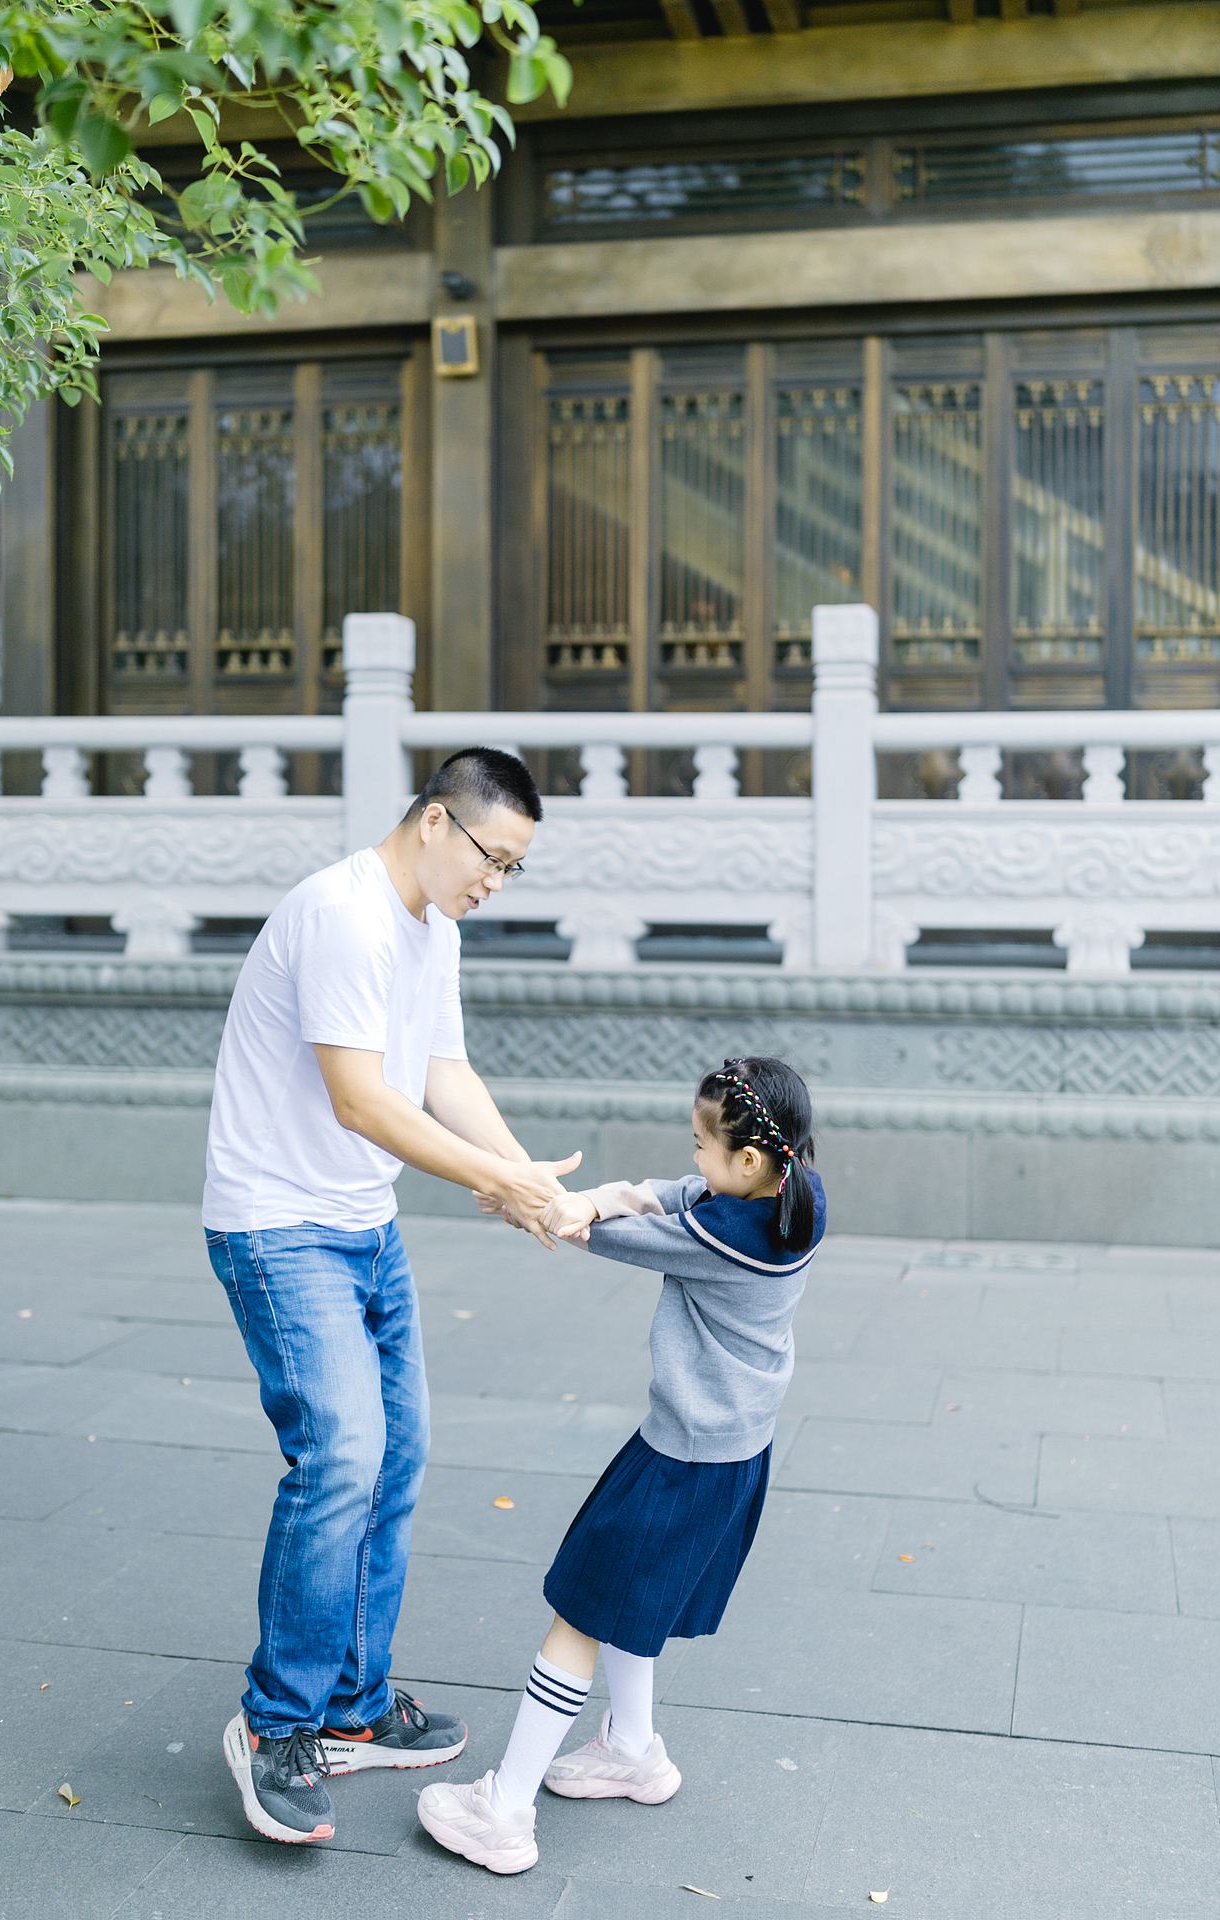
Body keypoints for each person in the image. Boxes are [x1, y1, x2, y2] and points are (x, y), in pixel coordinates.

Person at [202, 747, 581, 1845]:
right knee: (340, 1459)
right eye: (490, 858)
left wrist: (525, 1178)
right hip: (278, 1227)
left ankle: (353, 1706)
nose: (494, 884)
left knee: (397, 1457)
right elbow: (362, 1100)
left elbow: (440, 1075)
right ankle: (276, 1724)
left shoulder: (432, 928)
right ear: (433, 822)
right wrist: (494, 1183)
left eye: (513, 870)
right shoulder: (343, 914)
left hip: (363, 1227)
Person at [417, 1055, 826, 1876]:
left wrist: (541, 1204)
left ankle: (504, 1812)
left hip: (685, 1462)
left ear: (749, 1158)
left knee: (581, 1612)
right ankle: (633, 1749)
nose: (693, 1157)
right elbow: (672, 1192)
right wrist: (583, 1200)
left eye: (703, 1142)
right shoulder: (788, 1195)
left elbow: (622, 1233)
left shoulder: (725, 1238)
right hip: (722, 1452)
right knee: (634, 1602)